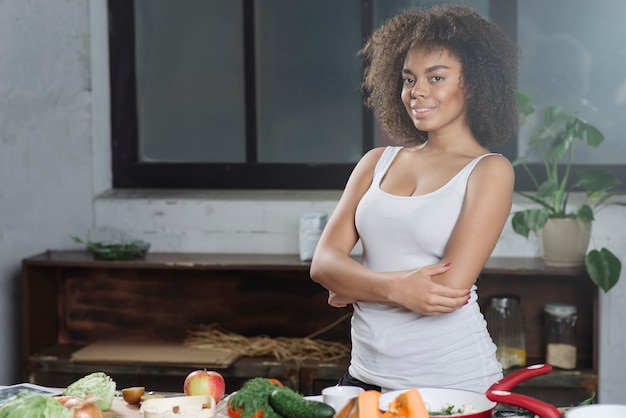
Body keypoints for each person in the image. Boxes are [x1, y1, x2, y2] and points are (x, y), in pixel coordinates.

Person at [310, 5, 519, 393]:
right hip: (363, 376)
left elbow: (445, 291)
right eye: (409, 79)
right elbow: (323, 263)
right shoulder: (377, 162)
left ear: (472, 84)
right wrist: (396, 288)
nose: (417, 91)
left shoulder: (489, 171)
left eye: (435, 77)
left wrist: (352, 284)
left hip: (452, 382)